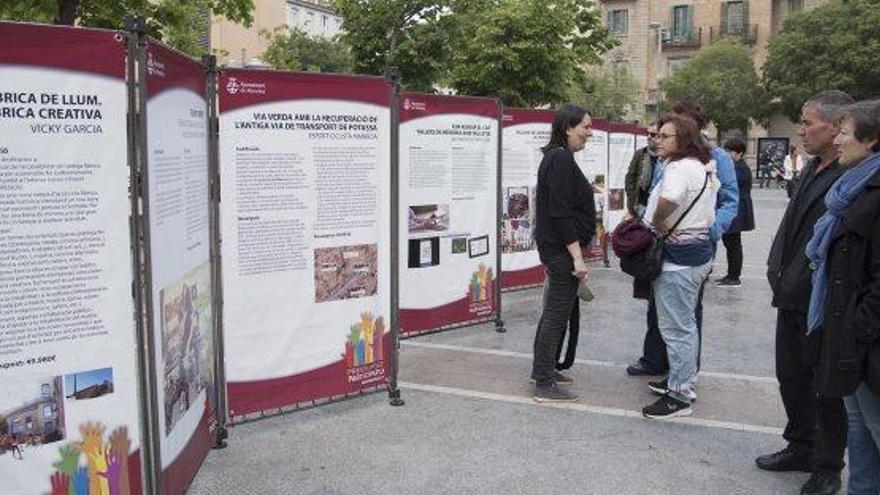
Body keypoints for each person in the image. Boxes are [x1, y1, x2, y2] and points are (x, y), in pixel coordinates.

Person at [757, 90, 854, 495]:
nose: (801, 129)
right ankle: (799, 444)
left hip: (822, 298)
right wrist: (776, 269)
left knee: (824, 385)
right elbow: (792, 225)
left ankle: (827, 465)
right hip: (791, 292)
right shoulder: (812, 168)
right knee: (791, 375)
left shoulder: (850, 176)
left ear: (835, 128)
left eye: (808, 122)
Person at [627, 101, 739, 377]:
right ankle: (656, 359)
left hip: (692, 246)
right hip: (664, 242)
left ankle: (684, 374)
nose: (660, 137)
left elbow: (730, 202)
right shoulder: (670, 159)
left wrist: (709, 230)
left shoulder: (716, 158)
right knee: (657, 303)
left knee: (687, 313)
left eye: (670, 131)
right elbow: (656, 192)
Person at [805, 101, 880, 495]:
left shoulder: (871, 191)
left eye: (846, 132)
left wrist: (857, 329)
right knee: (860, 433)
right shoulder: (849, 187)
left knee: (873, 427)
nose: (838, 138)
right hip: (847, 335)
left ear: (871, 141)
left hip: (864, 342)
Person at [640, 113, 718, 418]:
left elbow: (668, 201)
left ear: (682, 139)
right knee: (684, 324)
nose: (658, 141)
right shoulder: (700, 167)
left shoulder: (679, 168)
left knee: (676, 328)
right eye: (657, 136)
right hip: (696, 253)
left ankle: (680, 394)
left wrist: (657, 223)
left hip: (678, 259)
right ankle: (682, 379)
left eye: (665, 136)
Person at [531, 103, 596, 403]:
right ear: (568, 127)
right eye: (585, 126)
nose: (589, 132)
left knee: (554, 313)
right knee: (557, 315)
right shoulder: (559, 158)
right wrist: (577, 257)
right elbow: (559, 213)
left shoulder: (559, 157)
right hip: (561, 251)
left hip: (559, 249)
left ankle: (542, 370)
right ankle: (544, 382)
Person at [717, 137, 755, 287]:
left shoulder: (740, 168)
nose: (726, 154)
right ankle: (731, 274)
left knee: (733, 244)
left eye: (729, 151)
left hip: (738, 210)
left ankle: (734, 276)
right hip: (736, 209)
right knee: (730, 243)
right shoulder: (735, 166)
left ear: (739, 153)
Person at [625, 121, 659, 217]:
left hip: (657, 206)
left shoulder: (665, 157)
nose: (648, 137)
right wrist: (632, 199)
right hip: (640, 205)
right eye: (647, 133)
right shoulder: (640, 154)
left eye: (652, 134)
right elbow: (630, 177)